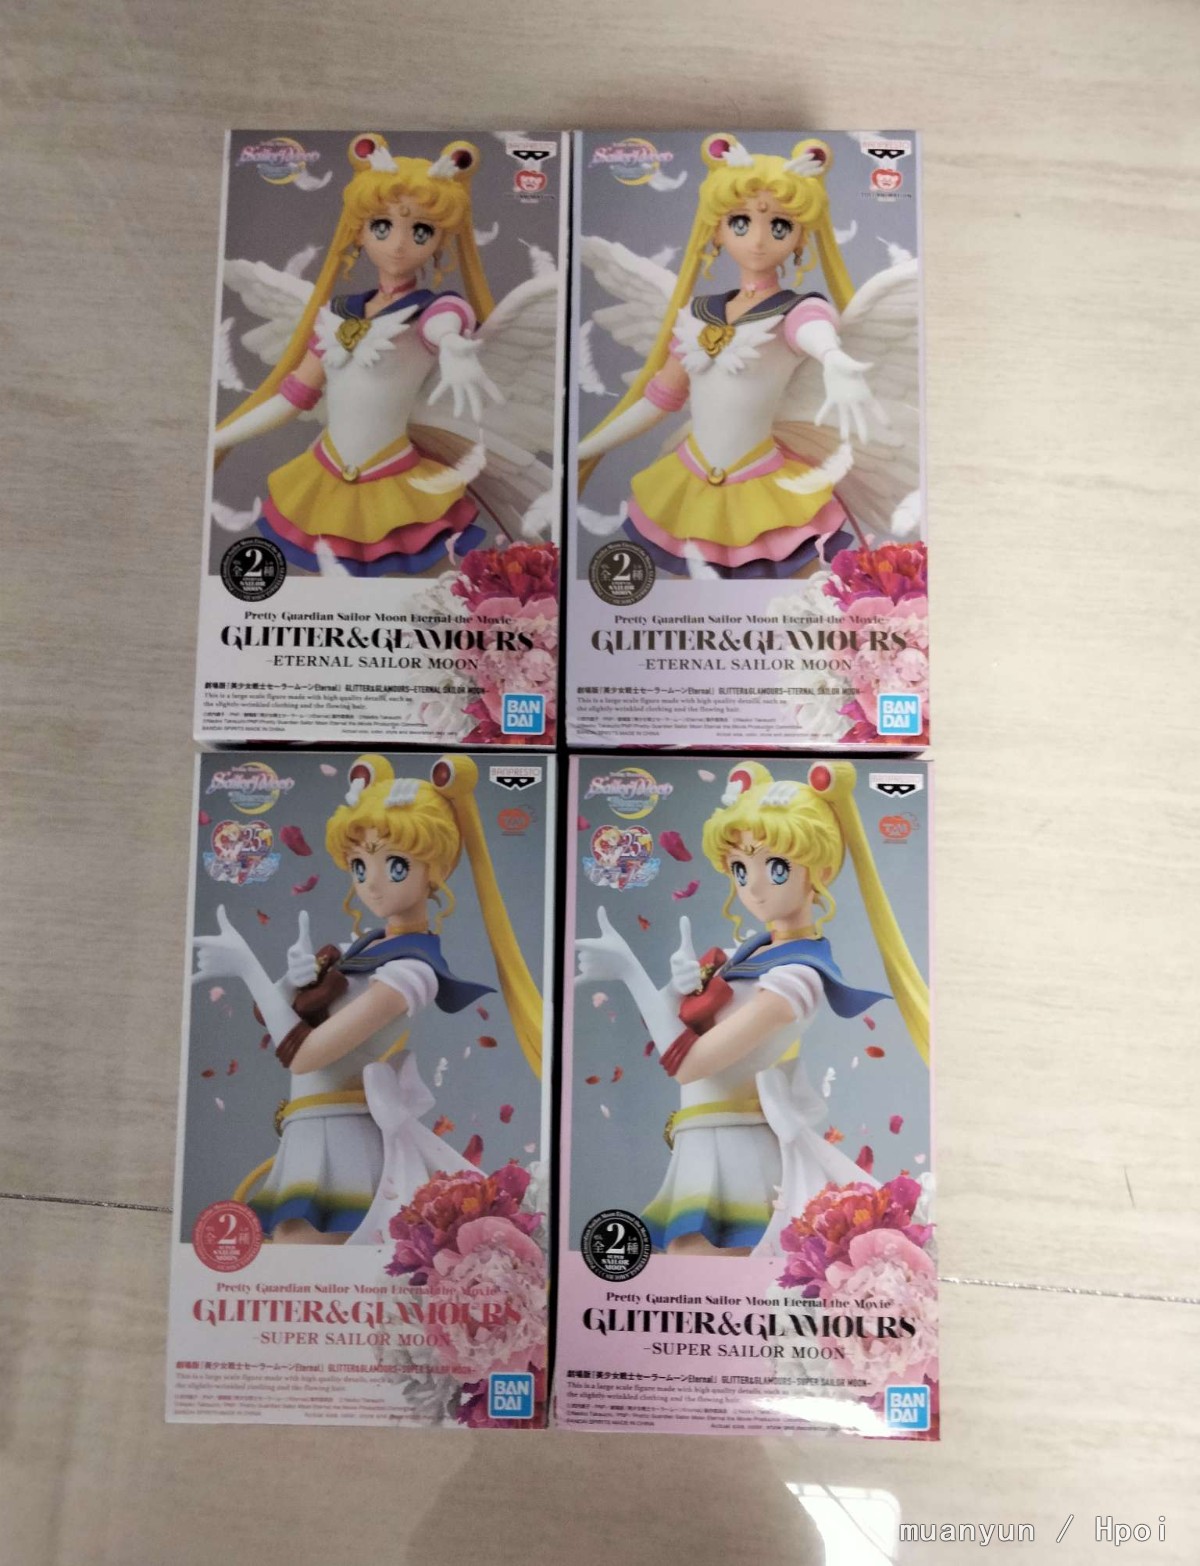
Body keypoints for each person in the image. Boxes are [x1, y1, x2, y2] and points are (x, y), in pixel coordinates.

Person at [575, 760, 928, 1254]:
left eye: (776, 867)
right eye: (741, 869)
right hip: (704, 1141)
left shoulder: (797, 977)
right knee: (692, 1272)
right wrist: (676, 990)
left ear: (821, 872)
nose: (754, 887)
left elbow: (688, 1064)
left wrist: (630, 972)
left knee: (707, 1271)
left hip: (739, 1151)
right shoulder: (744, 956)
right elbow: (677, 1033)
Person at [192, 753, 543, 1242]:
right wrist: (290, 982)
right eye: (359, 865)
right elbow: (277, 1019)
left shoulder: (412, 971)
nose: (371, 883)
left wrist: (247, 967)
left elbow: (304, 1055)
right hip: (311, 1131)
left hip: (342, 1143)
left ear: (433, 871)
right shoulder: (358, 950)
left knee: (309, 1258)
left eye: (394, 865)